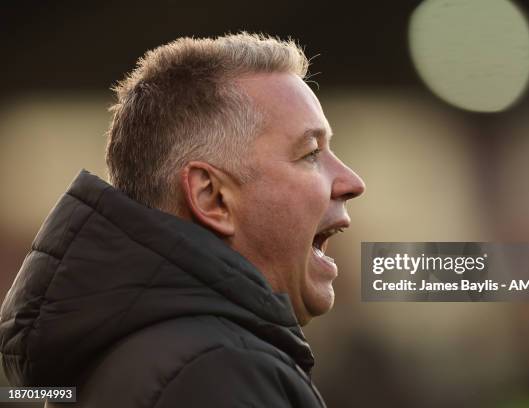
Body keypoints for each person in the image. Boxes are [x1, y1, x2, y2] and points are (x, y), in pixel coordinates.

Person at [0, 33, 365, 407]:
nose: (353, 182)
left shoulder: (132, 354)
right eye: (310, 153)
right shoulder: (217, 371)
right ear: (211, 197)